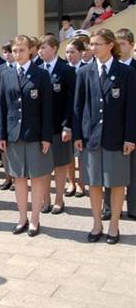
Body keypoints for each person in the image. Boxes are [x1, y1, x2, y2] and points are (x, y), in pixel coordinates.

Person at [73, 28, 136, 244]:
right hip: (92, 137)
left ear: (110, 45)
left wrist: (130, 137)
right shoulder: (84, 72)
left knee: (117, 183)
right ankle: (97, 224)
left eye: (97, 44)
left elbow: (131, 109)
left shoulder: (126, 73)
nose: (93, 48)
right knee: (94, 183)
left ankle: (114, 226)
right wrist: (78, 135)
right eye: (91, 44)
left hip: (116, 139)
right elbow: (78, 107)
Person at [0, 35, 53, 237]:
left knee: (37, 177)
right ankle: (22, 218)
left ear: (31, 50)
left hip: (35, 135)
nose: (17, 54)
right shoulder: (6, 74)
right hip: (13, 135)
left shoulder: (41, 75)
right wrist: (1, 134)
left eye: (21, 50)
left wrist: (47, 137)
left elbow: (48, 109)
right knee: (19, 178)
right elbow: (1, 106)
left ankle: (35, 219)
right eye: (14, 50)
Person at [38, 35, 76, 215]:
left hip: (59, 126)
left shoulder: (66, 70)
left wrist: (67, 125)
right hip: (41, 128)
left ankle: (59, 199)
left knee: (60, 164)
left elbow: (72, 101)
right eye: (38, 48)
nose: (40, 51)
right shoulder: (37, 70)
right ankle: (45, 199)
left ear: (54, 48)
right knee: (44, 165)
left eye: (44, 47)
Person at [102, 28, 136, 221]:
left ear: (131, 45)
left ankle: (133, 207)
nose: (120, 47)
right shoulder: (109, 67)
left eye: (123, 44)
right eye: (118, 43)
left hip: (131, 125)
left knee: (133, 170)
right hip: (112, 128)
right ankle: (109, 208)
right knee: (110, 170)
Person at [64, 39, 87, 198]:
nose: (69, 55)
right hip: (66, 117)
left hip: (83, 116)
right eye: (67, 52)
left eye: (72, 52)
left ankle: (81, 182)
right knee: (68, 154)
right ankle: (71, 181)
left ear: (80, 52)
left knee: (81, 153)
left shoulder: (86, 70)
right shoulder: (64, 70)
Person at [0, 41, 16, 191]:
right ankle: (8, 177)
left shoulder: (18, 68)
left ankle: (16, 178)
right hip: (3, 113)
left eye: (10, 52)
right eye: (5, 52)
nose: (7, 55)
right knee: (4, 150)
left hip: (16, 113)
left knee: (15, 151)